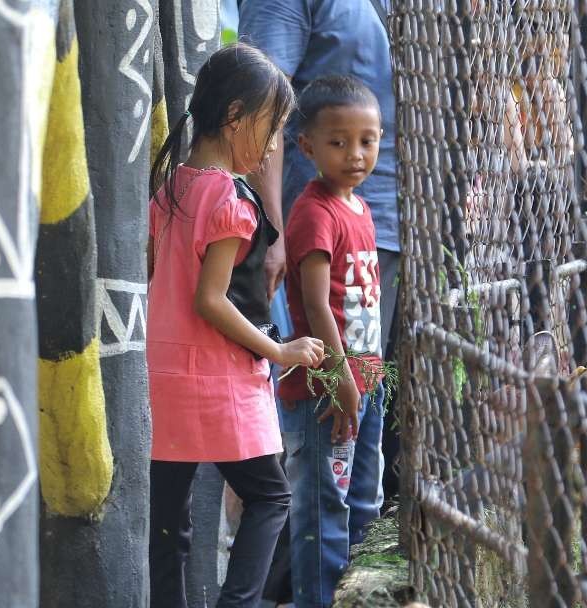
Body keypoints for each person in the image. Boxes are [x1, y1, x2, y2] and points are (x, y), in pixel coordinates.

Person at [145, 43, 326, 608]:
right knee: (271, 497)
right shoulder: (229, 197)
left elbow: (162, 280)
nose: (274, 146)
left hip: (165, 376)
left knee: (170, 524)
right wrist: (281, 350)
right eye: (271, 130)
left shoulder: (172, 187)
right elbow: (211, 300)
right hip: (218, 381)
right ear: (234, 117)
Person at [277, 75, 387, 608]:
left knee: (365, 498)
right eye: (338, 142)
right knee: (324, 511)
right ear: (307, 147)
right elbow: (318, 304)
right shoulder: (314, 212)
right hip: (329, 387)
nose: (355, 154)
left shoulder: (359, 209)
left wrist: (367, 379)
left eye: (367, 140)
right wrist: (342, 380)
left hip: (366, 379)